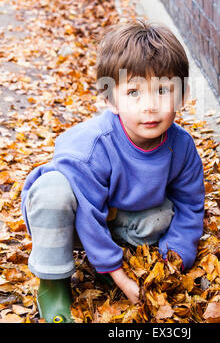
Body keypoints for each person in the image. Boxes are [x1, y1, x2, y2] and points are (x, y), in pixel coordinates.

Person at [21, 18, 205, 323]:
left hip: (120, 218)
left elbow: (190, 205)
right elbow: (88, 215)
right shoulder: (93, 147)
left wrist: (174, 260)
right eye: (134, 92)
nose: (150, 106)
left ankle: (108, 261)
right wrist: (119, 275)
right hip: (71, 219)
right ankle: (53, 283)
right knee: (52, 192)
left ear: (182, 97)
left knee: (166, 213)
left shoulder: (181, 146)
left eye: (162, 90)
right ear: (110, 100)